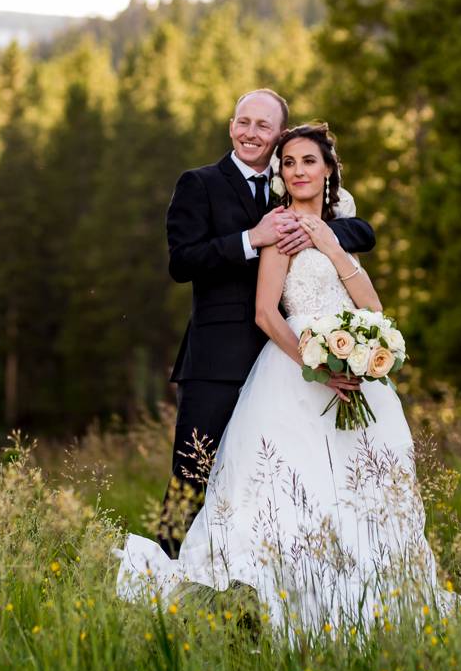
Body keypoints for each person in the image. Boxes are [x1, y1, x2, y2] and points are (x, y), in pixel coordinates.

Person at [121, 122, 452, 634]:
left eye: (308, 162)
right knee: (201, 472)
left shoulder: (340, 226)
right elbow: (258, 307)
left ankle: (359, 595)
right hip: (267, 365)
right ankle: (178, 570)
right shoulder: (261, 220)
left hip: (350, 373)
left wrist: (333, 246)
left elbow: (372, 304)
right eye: (290, 163)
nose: (298, 170)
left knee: (352, 487)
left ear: (327, 170)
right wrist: (316, 364)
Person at [151, 89, 374, 556]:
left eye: (263, 126)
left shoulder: (291, 185)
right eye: (243, 122)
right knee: (192, 474)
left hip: (285, 365)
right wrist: (252, 238)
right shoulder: (200, 183)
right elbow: (181, 261)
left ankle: (249, 575)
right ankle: (164, 570)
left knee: (271, 481)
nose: (251, 133)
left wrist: (315, 231)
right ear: (232, 126)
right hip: (217, 361)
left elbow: (362, 231)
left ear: (278, 137)